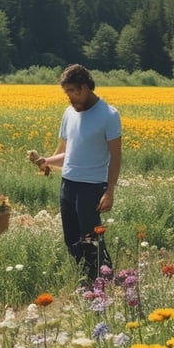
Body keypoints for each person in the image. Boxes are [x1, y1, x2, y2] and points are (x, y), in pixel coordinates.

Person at [30, 64, 122, 283]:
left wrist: (109, 192)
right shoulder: (69, 113)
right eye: (66, 92)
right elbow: (67, 154)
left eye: (73, 91)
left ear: (85, 87)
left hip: (91, 187)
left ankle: (102, 280)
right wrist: (46, 162)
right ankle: (87, 279)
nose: (70, 97)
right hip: (68, 185)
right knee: (71, 239)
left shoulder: (108, 115)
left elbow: (116, 157)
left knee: (91, 239)